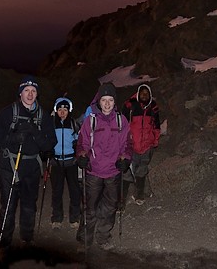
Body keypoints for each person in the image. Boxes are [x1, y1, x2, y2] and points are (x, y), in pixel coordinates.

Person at [0, 77, 56, 250]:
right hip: (9, 165)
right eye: (27, 90)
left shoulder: (43, 115)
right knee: (9, 204)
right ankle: (4, 242)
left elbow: (50, 143)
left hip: (32, 166)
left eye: (33, 91)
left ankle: (27, 238)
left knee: (29, 205)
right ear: (20, 93)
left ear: (37, 94)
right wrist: (13, 138)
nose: (30, 94)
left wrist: (35, 133)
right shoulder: (8, 112)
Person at [75, 82, 132, 250]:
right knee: (89, 207)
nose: (107, 104)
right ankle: (85, 238)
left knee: (110, 207)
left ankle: (103, 237)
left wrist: (125, 158)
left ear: (115, 102)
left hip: (113, 171)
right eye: (104, 100)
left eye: (110, 100)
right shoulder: (90, 121)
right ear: (98, 102)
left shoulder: (121, 121)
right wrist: (82, 156)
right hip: (94, 171)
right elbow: (82, 144)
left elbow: (127, 145)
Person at [121, 84, 161, 205]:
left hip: (146, 145)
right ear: (138, 94)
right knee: (127, 171)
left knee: (142, 170)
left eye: (146, 93)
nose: (144, 95)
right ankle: (121, 199)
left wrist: (155, 141)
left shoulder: (153, 107)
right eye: (142, 93)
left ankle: (139, 194)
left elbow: (156, 126)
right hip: (132, 145)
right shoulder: (130, 105)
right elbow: (122, 124)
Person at [49, 97, 82, 230]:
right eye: (60, 109)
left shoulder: (74, 124)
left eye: (65, 109)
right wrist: (48, 150)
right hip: (56, 162)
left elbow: (80, 140)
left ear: (69, 110)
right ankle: (57, 217)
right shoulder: (51, 124)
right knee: (57, 191)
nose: (62, 112)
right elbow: (46, 140)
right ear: (56, 110)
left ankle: (74, 217)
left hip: (71, 162)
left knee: (74, 191)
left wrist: (77, 147)